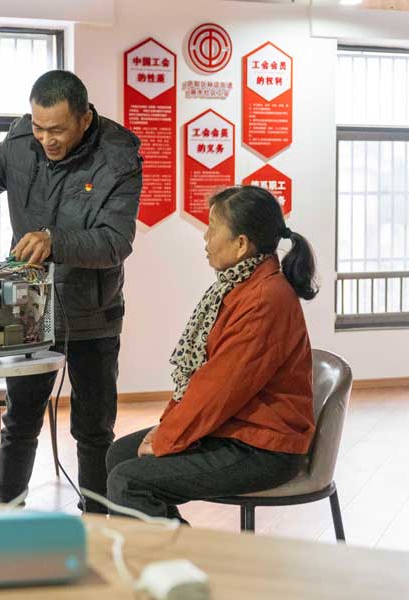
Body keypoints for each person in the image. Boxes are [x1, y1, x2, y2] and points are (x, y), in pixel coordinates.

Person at [0, 70, 142, 512]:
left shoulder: (118, 156)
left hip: (93, 313)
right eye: (39, 127)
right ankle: (7, 514)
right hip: (26, 309)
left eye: (57, 130)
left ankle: (96, 521)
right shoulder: (19, 142)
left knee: (93, 429)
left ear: (84, 118)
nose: (46, 139)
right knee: (20, 421)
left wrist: (55, 241)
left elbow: (115, 242)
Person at [105, 185, 319, 522]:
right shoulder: (240, 286)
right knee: (119, 455)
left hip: (263, 448)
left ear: (241, 244)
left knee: (129, 482)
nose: (205, 237)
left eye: (213, 228)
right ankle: (175, 548)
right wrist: (168, 429)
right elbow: (204, 378)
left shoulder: (263, 299)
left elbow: (220, 388)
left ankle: (183, 555)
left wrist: (167, 438)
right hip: (235, 430)